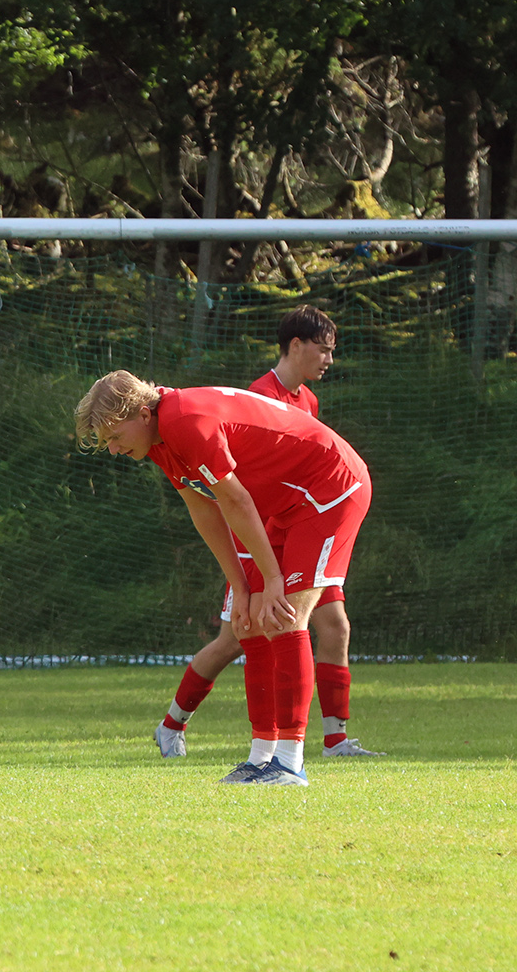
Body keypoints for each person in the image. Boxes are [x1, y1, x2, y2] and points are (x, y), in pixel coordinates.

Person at [78, 370, 373, 786]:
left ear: (143, 414)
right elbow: (205, 510)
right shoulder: (160, 438)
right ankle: (261, 758)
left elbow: (235, 499)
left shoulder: (185, 422)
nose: (112, 450)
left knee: (286, 617)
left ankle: (290, 764)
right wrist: (240, 586)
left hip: (329, 489)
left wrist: (272, 581)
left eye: (114, 436)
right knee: (250, 623)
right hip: (286, 504)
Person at [153, 306, 381, 759]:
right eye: (323, 349)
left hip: (303, 518)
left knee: (332, 625)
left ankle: (325, 741)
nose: (329, 360)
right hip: (258, 532)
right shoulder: (262, 394)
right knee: (239, 635)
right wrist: (253, 576)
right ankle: (174, 724)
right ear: (295, 346)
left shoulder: (308, 401)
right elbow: (236, 495)